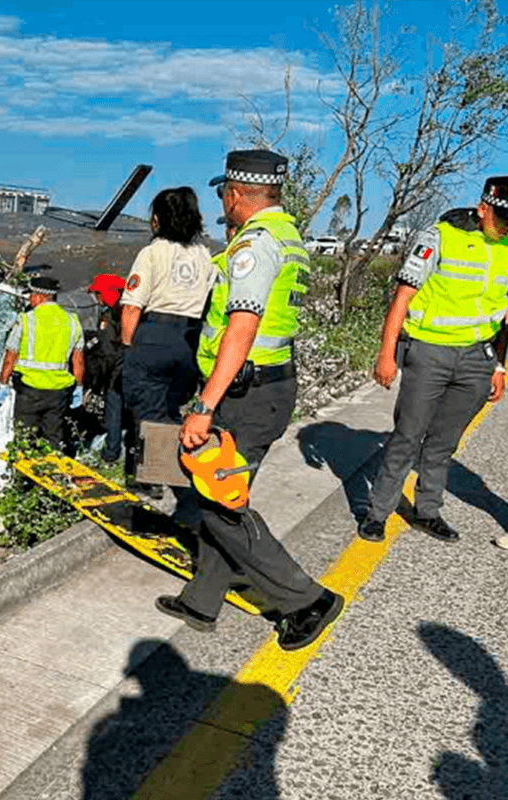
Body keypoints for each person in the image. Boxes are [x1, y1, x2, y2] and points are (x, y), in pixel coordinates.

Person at [160, 149, 342, 652]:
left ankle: (306, 600)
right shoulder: (288, 236)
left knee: (221, 505)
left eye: (224, 193)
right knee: (220, 495)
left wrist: (204, 406)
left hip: (246, 392)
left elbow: (243, 325)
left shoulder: (257, 246)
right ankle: (202, 600)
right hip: (264, 385)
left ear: (237, 194)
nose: (222, 201)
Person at [358, 177, 508, 550]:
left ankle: (427, 510)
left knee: (444, 442)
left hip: (475, 358)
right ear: (483, 207)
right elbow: (403, 296)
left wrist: (499, 366)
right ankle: (378, 513)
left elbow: (506, 312)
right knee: (407, 436)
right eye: (502, 217)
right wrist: (386, 353)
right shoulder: (439, 237)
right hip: (430, 353)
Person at [119, 187, 217, 496]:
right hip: (190, 337)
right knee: (171, 407)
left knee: (146, 409)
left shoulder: (152, 252)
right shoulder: (205, 254)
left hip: (154, 334)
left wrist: (127, 348)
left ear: (158, 219)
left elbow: (133, 306)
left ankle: (148, 482)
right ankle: (172, 473)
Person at [0, 274, 85, 451]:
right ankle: (49, 474)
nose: (30, 299)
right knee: (53, 439)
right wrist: (79, 387)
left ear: (39, 296)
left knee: (24, 439)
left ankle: (23, 477)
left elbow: (10, 357)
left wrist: (3, 383)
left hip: (29, 389)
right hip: (59, 392)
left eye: (30, 295)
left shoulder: (26, 319)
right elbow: (78, 360)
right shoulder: (72, 321)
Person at [86, 273, 127, 464]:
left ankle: (112, 452)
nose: (97, 298)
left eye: (98, 294)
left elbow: (108, 352)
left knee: (113, 412)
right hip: (131, 370)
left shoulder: (109, 317)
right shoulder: (128, 311)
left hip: (115, 375)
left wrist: (98, 382)